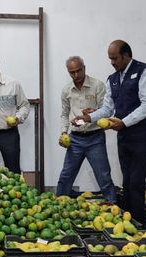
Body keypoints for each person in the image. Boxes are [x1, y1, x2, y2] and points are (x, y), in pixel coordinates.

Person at [76, 40, 146, 224]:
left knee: (136, 181)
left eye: (115, 58)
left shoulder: (143, 71)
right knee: (126, 180)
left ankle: (139, 223)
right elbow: (107, 109)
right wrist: (89, 118)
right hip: (124, 136)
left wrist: (124, 122)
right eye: (110, 58)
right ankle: (127, 222)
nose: (112, 62)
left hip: (141, 135)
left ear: (126, 55)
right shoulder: (112, 79)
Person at [55, 56, 116, 202]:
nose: (76, 75)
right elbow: (64, 114)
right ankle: (58, 205)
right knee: (66, 175)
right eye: (72, 72)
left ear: (84, 68)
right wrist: (64, 132)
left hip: (95, 137)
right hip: (75, 139)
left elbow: (108, 110)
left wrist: (94, 113)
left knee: (103, 175)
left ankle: (113, 204)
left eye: (78, 71)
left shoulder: (98, 85)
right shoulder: (66, 90)